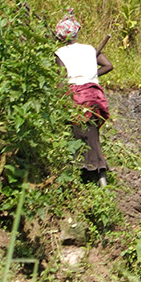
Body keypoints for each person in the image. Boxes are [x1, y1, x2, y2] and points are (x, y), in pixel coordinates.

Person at [54, 13, 114, 185]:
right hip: (95, 95)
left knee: (79, 135)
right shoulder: (89, 49)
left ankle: (91, 174)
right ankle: (96, 176)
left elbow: (61, 80)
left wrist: (59, 100)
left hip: (78, 98)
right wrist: (91, 75)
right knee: (92, 134)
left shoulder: (60, 53)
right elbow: (108, 66)